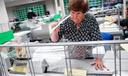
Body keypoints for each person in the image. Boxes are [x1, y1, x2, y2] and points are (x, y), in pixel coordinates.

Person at [50, 0, 107, 70]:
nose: (75, 16)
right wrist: (55, 32)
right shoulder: (65, 21)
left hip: (88, 57)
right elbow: (55, 40)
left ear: (84, 13)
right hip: (71, 57)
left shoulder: (90, 19)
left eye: (78, 13)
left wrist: (99, 59)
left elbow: (97, 40)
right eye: (72, 12)